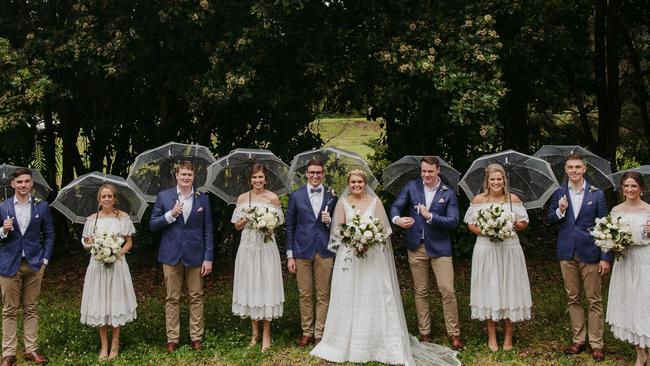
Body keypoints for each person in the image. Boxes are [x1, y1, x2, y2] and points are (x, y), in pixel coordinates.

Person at [310, 169, 460, 366]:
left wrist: (369, 239)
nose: (356, 185)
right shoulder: (342, 202)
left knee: (374, 295)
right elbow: (337, 230)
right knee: (348, 295)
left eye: (360, 182)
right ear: (349, 183)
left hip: (372, 257)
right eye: (353, 182)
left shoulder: (375, 202)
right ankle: (344, 341)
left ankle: (376, 341)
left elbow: (384, 230)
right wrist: (353, 239)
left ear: (365, 183)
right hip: (350, 257)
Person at [390, 156, 463, 349]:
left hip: (440, 247)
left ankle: (454, 333)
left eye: (430, 171)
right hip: (416, 245)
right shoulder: (412, 186)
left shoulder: (448, 192)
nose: (426, 175)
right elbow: (396, 205)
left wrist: (430, 216)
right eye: (423, 171)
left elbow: (453, 221)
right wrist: (397, 219)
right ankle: (425, 331)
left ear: (438, 170)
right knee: (420, 291)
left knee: (447, 290)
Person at [546, 153, 611, 362]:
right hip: (566, 251)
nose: (574, 171)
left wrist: (605, 257)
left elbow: (605, 227)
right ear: (566, 170)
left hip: (590, 252)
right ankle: (578, 338)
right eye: (570, 168)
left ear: (584, 169)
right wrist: (560, 210)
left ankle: (596, 343)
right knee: (572, 297)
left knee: (594, 299)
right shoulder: (559, 193)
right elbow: (550, 218)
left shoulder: (597, 194)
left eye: (578, 167)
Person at [464, 164, 532, 351]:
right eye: (492, 179)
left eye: (499, 179)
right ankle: (492, 336)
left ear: (504, 181)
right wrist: (488, 229)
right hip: (486, 249)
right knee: (489, 288)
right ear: (487, 181)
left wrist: (512, 224)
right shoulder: (478, 200)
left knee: (510, 288)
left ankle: (508, 337)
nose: (496, 182)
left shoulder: (513, 200)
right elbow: (471, 224)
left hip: (509, 248)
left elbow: (524, 223)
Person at [150, 160, 214, 352]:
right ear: (176, 175)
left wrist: (208, 257)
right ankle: (173, 338)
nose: (186, 178)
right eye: (183, 174)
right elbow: (152, 225)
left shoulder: (202, 198)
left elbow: (208, 229)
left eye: (189, 175)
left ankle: (196, 337)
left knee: (196, 296)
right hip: (171, 254)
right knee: (172, 297)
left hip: (196, 254)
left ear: (194, 176)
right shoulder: (164, 196)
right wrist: (170, 214)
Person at [0, 168, 54, 366]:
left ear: (32, 184)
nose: (23, 185)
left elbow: (49, 235)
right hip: (8, 265)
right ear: (12, 185)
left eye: (27, 181)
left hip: (34, 264)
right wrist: (3, 230)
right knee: (9, 309)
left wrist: (45, 261)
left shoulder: (42, 207)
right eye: (19, 182)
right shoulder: (2, 207)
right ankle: (8, 353)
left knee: (31, 308)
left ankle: (31, 349)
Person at [80, 184, 137, 360]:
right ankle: (104, 346)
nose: (106, 199)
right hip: (97, 266)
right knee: (100, 302)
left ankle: (115, 344)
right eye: (103, 196)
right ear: (99, 199)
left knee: (115, 301)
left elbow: (129, 242)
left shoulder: (123, 218)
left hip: (117, 265)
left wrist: (117, 252)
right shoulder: (92, 220)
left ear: (114, 199)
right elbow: (85, 244)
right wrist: (90, 244)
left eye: (109, 196)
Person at [231, 163, 284, 352]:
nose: (257, 180)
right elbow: (236, 226)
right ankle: (254, 333)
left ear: (265, 179)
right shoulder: (243, 198)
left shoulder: (273, 199)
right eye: (254, 177)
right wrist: (248, 218)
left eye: (260, 177)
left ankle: (267, 334)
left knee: (266, 284)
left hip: (266, 247)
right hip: (248, 247)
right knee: (251, 284)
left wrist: (265, 223)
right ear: (250, 180)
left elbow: (276, 225)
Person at [285, 159, 337, 347]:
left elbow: (338, 225)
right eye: (311, 172)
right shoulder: (296, 196)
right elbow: (289, 225)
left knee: (323, 294)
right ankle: (306, 332)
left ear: (323, 174)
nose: (315, 176)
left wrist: (329, 221)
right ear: (306, 174)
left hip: (325, 250)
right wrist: (290, 255)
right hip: (301, 250)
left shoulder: (332, 196)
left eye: (319, 172)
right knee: (305, 293)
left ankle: (319, 333)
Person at [606, 172, 650, 366]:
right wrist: (612, 242)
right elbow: (609, 237)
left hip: (645, 260)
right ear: (622, 188)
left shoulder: (649, 210)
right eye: (627, 186)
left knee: (645, 304)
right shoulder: (616, 210)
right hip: (625, 262)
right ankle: (640, 352)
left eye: (634, 186)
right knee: (631, 303)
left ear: (641, 188)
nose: (630, 190)